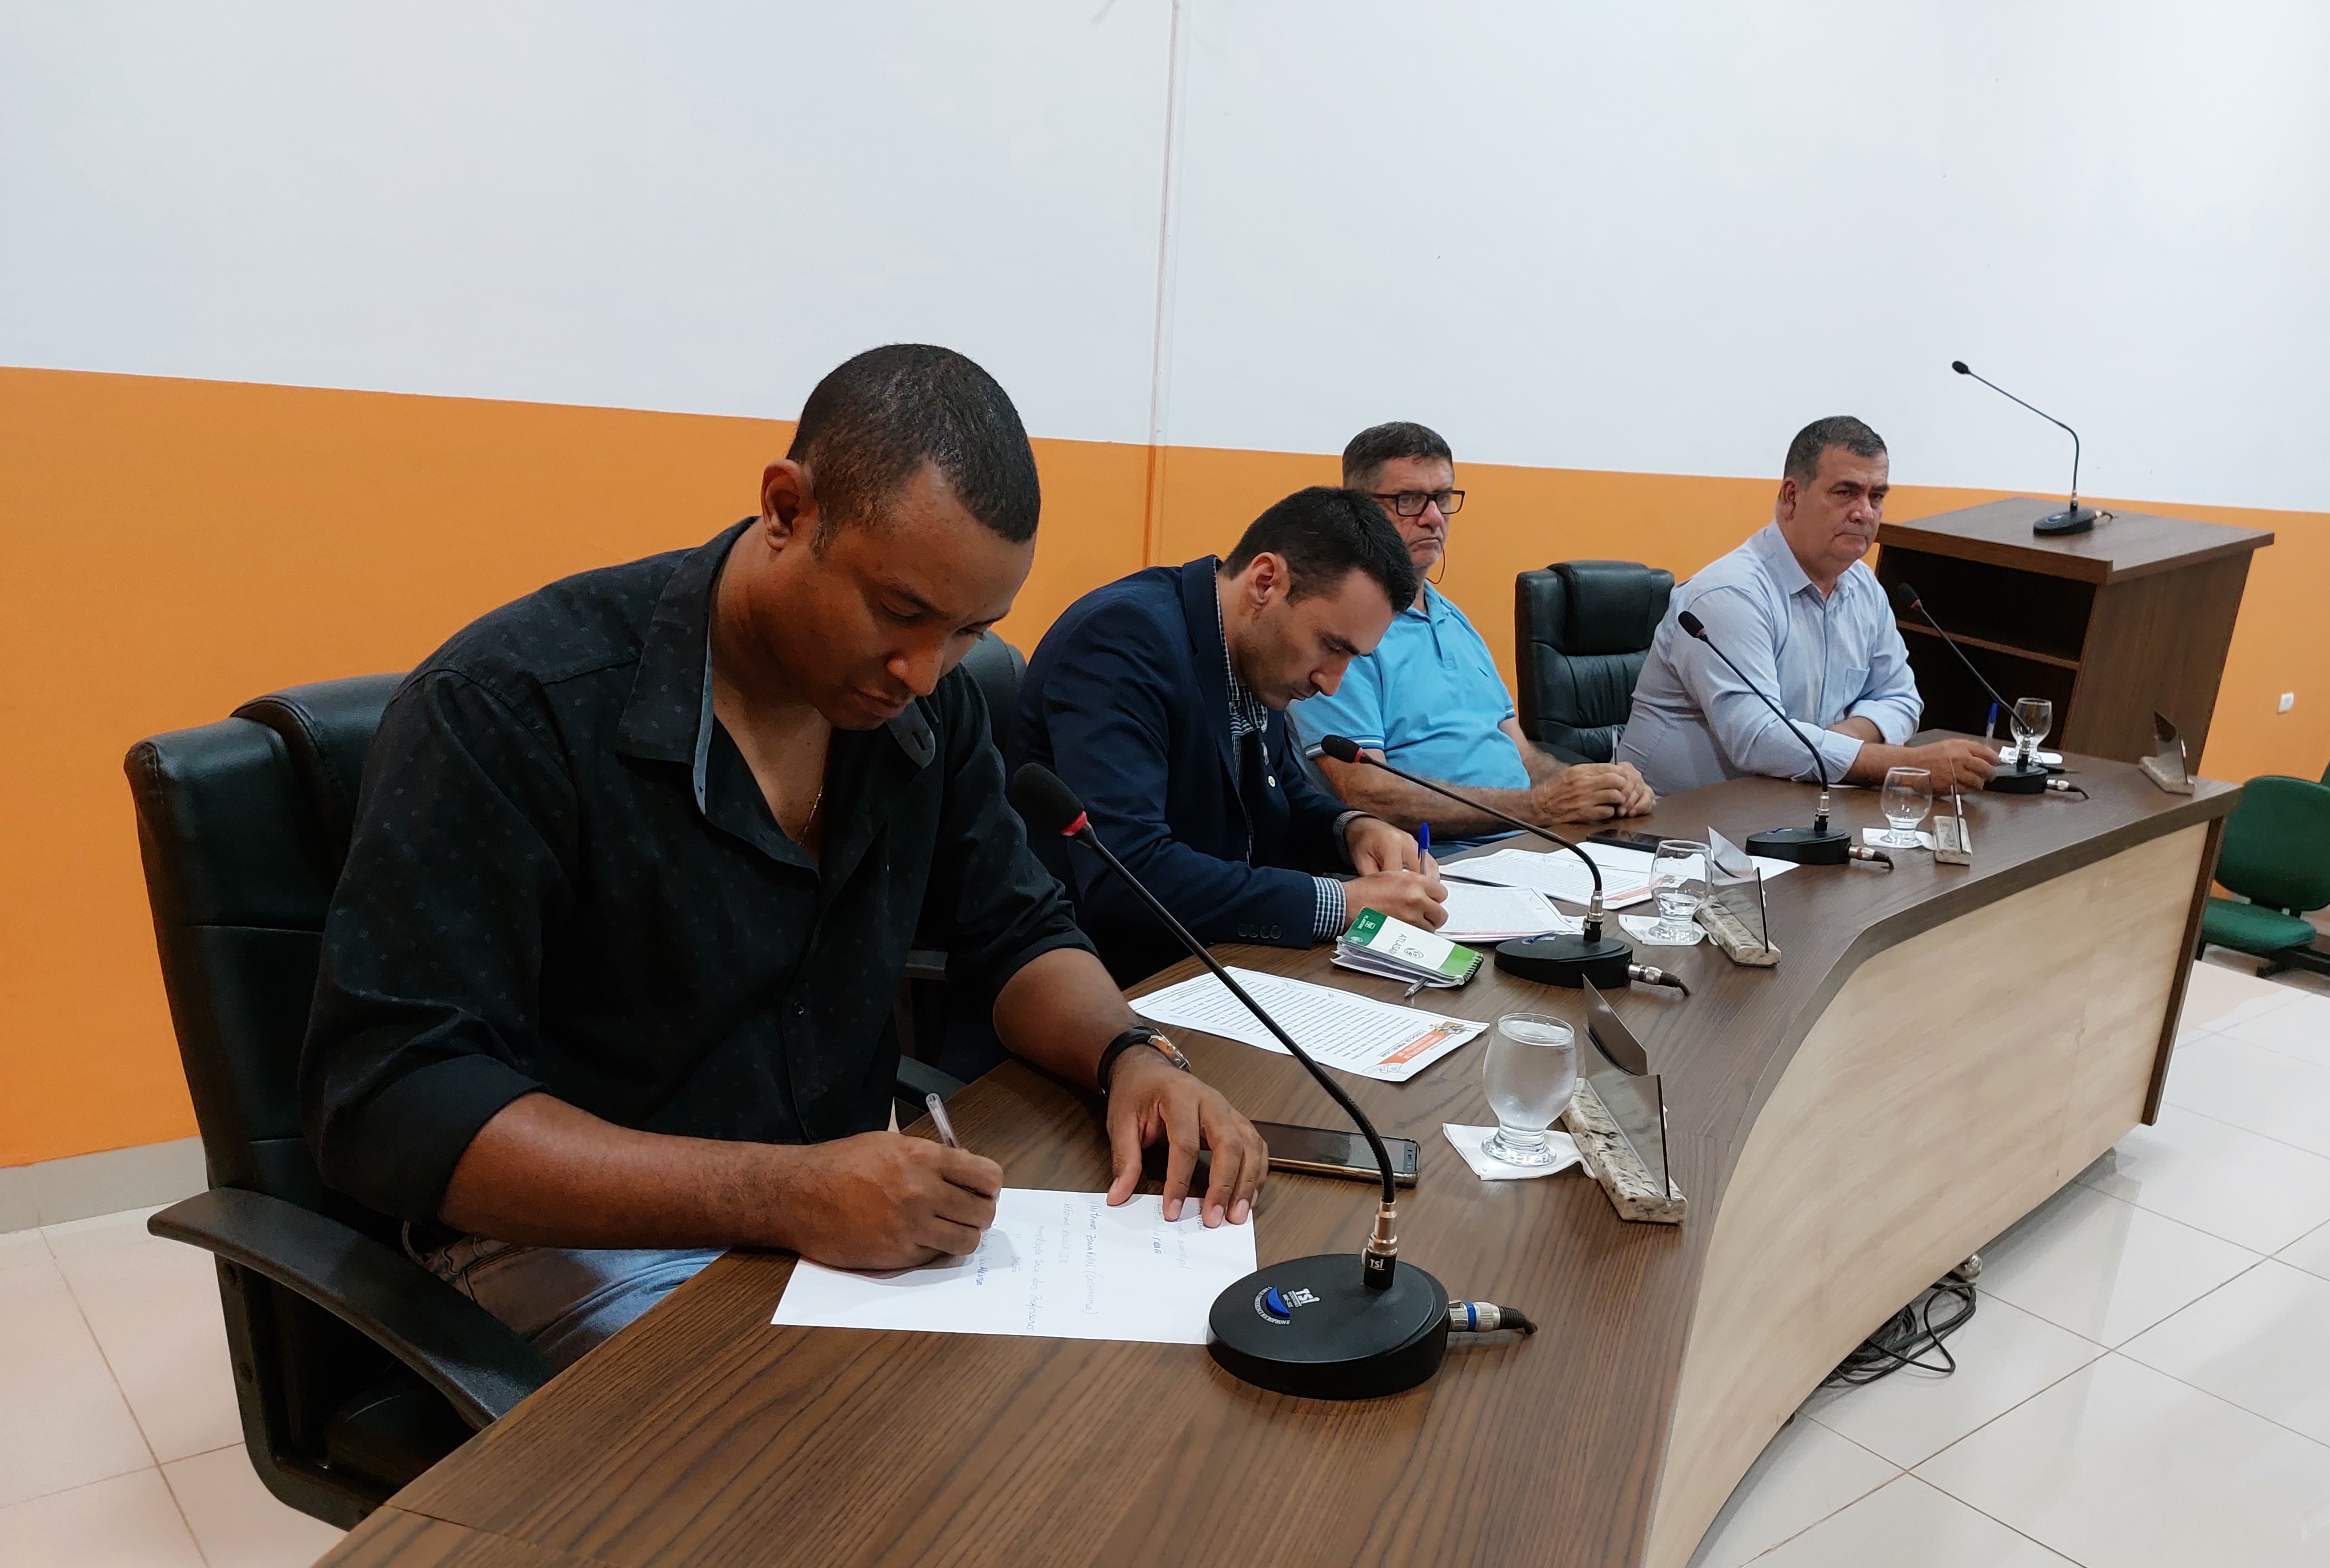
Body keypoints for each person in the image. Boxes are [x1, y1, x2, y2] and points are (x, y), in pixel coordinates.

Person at [303, 344, 1267, 1364]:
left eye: (968, 632)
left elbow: (1017, 926)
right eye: (900, 611)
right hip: (566, 1241)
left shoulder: (919, 709)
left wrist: (1130, 1055)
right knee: (854, 1448)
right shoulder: (511, 709)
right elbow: (392, 1103)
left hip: (826, 1221)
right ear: (786, 510)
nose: (923, 670)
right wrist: (783, 1193)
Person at [1010, 486, 1447, 984]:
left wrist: (1354, 831)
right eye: (1331, 647)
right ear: (1265, 582)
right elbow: (1126, 873)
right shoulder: (1122, 640)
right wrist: (1342, 903)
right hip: (1111, 980)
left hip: (1218, 963)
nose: (1332, 683)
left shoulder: (1253, 650)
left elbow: (1279, 795)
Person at [1295, 422, 1656, 835]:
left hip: (1537, 842)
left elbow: (1525, 757)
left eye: (1442, 498)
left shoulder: (1453, 620)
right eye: (1408, 500)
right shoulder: (1340, 634)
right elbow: (1368, 793)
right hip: (1444, 859)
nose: (1434, 518)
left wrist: (1601, 786)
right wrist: (1536, 807)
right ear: (1359, 510)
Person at [1616, 416, 1999, 796]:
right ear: (1791, 497)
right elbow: (1758, 740)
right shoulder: (1729, 595)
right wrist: (1906, 767)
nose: (1865, 512)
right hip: (1671, 820)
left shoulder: (1863, 586)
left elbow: (1900, 697)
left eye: (1876, 497)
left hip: (1792, 805)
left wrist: (1843, 739)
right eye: (1846, 492)